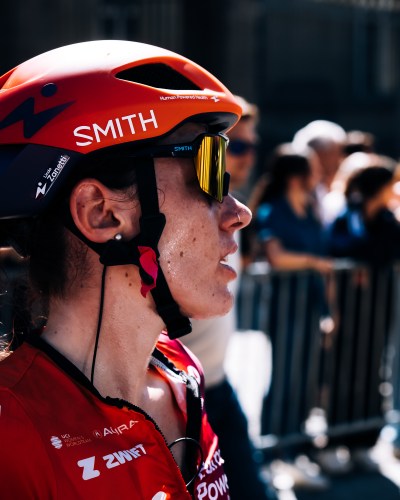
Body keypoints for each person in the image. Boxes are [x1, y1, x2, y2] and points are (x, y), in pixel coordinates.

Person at [0, 40, 252, 498]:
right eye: (207, 169)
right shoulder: (12, 437)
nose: (239, 212)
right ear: (101, 213)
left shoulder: (181, 372)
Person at [181, 97, 276, 499]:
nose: (248, 156)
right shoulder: (190, 211)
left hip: (216, 382)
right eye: (236, 146)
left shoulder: (228, 208)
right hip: (178, 389)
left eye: (253, 146)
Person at [249, 143, 333, 490]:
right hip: (285, 305)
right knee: (284, 376)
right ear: (297, 176)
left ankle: (296, 449)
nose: (319, 174)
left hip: (311, 303)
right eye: (312, 168)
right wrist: (313, 263)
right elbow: (277, 256)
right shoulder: (274, 210)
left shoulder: (310, 209)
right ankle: (274, 454)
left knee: (305, 377)